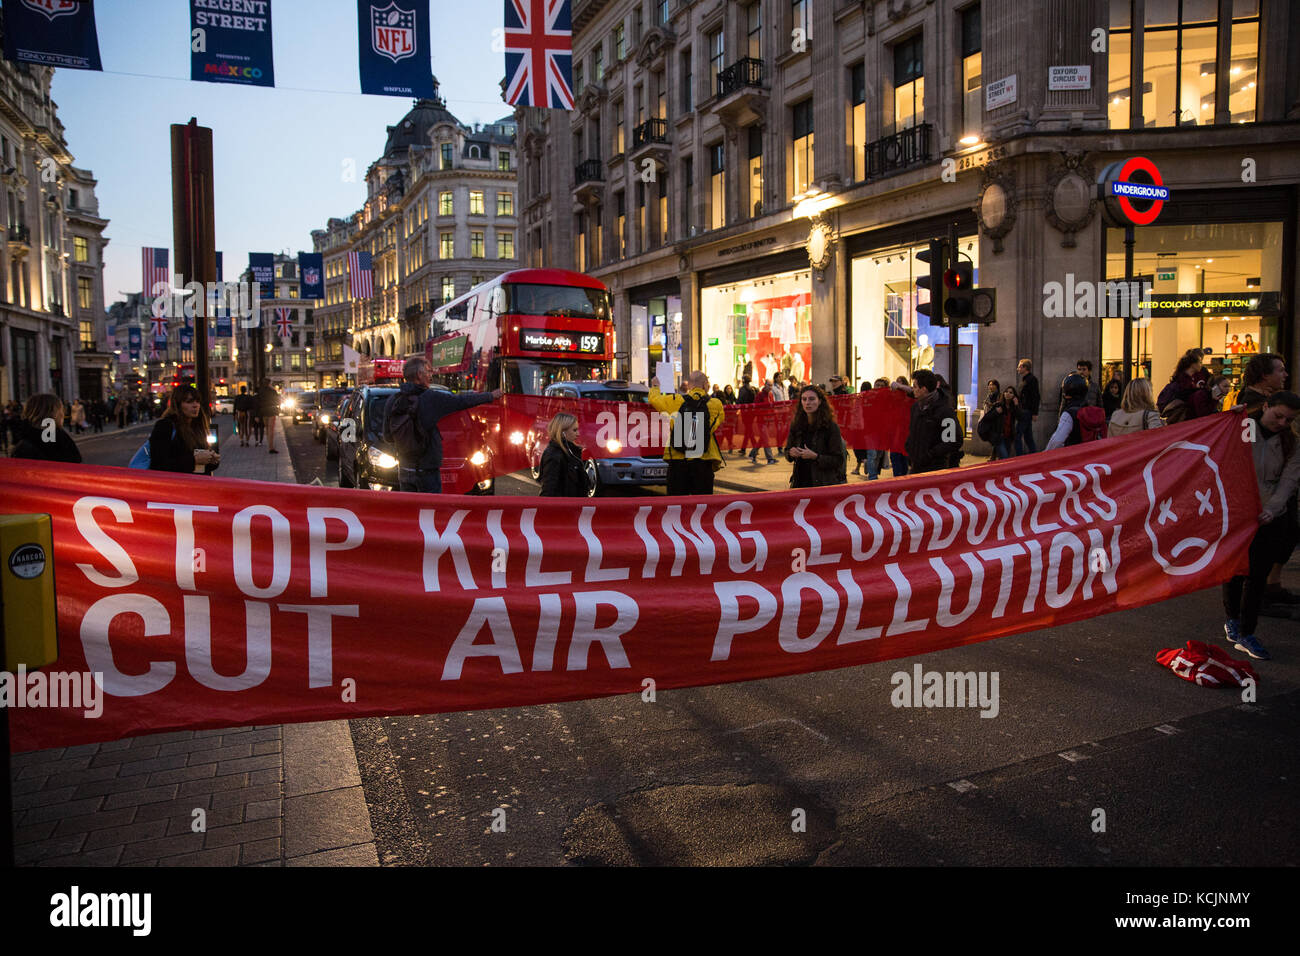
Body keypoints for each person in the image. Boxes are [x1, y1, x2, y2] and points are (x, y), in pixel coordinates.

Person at [1222, 392, 1300, 661]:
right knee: (1232, 571)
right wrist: (1228, 418)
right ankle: (1233, 619)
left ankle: (1246, 631)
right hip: (1236, 511)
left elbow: (1289, 482)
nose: (1281, 422)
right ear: (1265, 406)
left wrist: (1272, 509)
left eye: (1288, 419)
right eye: (1277, 415)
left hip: (1268, 515)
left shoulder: (1291, 443)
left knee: (1257, 575)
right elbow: (1221, 451)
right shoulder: (1244, 426)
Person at [383, 357, 501, 493]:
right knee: (431, 510)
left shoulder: (393, 400)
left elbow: (388, 437)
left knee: (410, 510)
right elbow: (462, 401)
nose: (430, 376)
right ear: (419, 375)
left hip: (404, 470)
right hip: (428, 471)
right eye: (428, 372)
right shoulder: (431, 398)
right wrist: (490, 396)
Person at [649, 369, 724, 495]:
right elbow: (717, 422)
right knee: (702, 506)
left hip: (678, 462)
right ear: (706, 385)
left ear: (689, 385)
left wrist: (656, 386)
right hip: (702, 462)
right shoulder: (715, 404)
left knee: (677, 506)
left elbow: (654, 399)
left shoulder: (675, 400)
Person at [784, 385, 846, 488]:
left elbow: (838, 460)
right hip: (799, 482)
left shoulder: (830, 426)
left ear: (820, 401)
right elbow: (787, 451)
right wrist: (791, 453)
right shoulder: (796, 424)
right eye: (804, 399)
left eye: (812, 399)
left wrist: (816, 457)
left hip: (822, 484)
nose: (807, 403)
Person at [149, 384, 220, 474]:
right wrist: (194, 460)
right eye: (189, 401)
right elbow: (159, 464)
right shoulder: (165, 426)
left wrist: (212, 459)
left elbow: (206, 467)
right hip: (177, 485)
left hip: (198, 484)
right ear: (178, 404)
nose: (195, 405)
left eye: (197, 401)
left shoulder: (198, 426)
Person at [905, 369, 962, 474]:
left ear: (924, 389)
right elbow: (912, 432)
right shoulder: (916, 408)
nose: (912, 389)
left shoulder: (944, 410)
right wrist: (910, 448)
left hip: (935, 469)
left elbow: (952, 441)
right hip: (915, 466)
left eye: (915, 386)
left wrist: (931, 454)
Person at [10, 393, 81, 463]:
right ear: (54, 413)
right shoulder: (61, 440)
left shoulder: (22, 440)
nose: (63, 413)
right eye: (60, 410)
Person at [1045, 374, 1107, 450]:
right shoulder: (1091, 411)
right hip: (1091, 455)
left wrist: (1044, 455)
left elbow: (1057, 441)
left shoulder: (1069, 414)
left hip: (1074, 456)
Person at [538, 412, 591, 497]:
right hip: (562, 507)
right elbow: (549, 488)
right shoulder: (554, 455)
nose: (578, 434)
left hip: (573, 505)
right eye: (574, 430)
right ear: (562, 431)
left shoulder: (571, 452)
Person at [1157, 351, 1215, 422]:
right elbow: (1186, 395)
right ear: (1193, 365)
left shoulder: (1184, 379)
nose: (1201, 365)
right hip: (1182, 417)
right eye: (1200, 362)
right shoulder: (1184, 381)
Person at [1016, 358, 1040, 454]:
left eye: (1019, 366)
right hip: (1025, 411)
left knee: (1018, 435)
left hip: (1026, 411)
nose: (1018, 369)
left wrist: (1035, 413)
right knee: (1028, 436)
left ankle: (1020, 458)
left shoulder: (1031, 380)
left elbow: (1035, 396)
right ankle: (1034, 455)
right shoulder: (1025, 380)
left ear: (1025, 368)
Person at [256, 379, 281, 453]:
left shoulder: (260, 391)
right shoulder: (272, 391)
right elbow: (277, 401)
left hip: (263, 411)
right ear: (269, 383)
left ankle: (269, 445)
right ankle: (271, 447)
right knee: (271, 429)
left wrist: (257, 415)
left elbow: (258, 403)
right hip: (271, 411)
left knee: (267, 428)